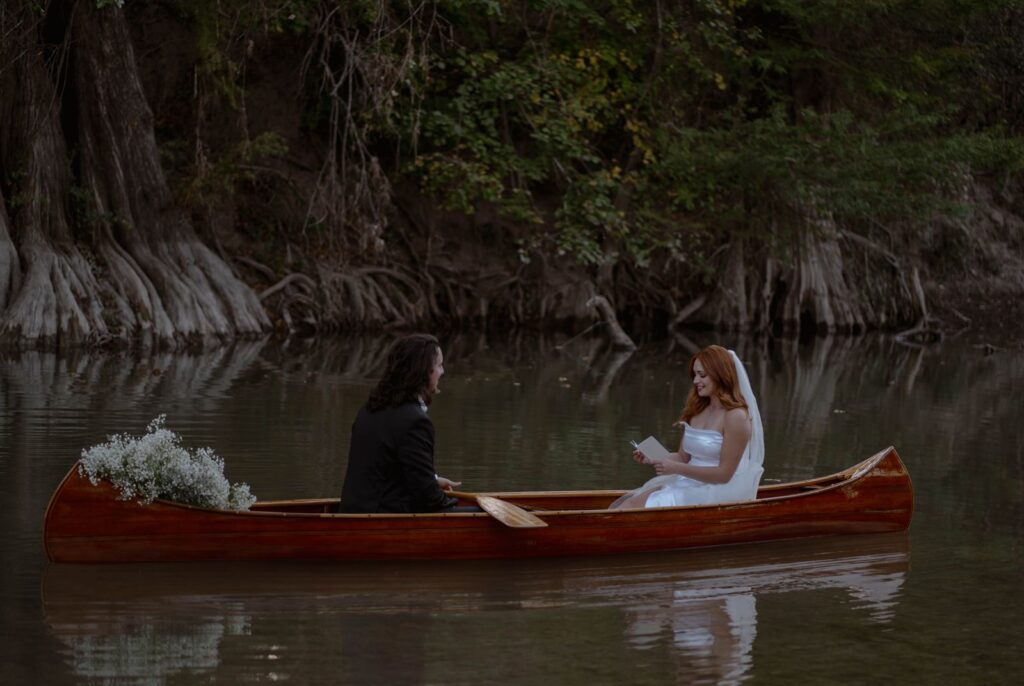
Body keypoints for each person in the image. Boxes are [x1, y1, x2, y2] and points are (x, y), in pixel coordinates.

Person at [610, 345, 764, 509]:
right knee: (630, 502)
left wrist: (677, 468)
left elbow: (724, 475)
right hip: (686, 481)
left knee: (638, 505)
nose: (696, 381)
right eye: (695, 375)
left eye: (702, 375)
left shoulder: (736, 417)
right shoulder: (697, 410)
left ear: (720, 375)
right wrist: (654, 456)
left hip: (715, 489)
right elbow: (684, 458)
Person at [340, 333, 466, 513]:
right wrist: (452, 504)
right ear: (423, 371)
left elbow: (385, 470)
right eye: (439, 365)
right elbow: (426, 496)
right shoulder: (415, 421)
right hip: (382, 518)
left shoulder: (368, 410)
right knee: (483, 517)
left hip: (352, 510)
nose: (442, 372)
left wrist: (433, 480)